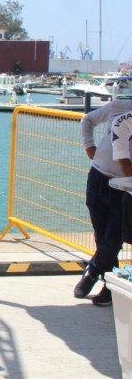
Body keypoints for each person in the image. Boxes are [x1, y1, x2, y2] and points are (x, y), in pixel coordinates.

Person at [75, 97, 132, 305]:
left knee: (113, 239)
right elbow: (87, 121)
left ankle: (92, 271)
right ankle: (109, 288)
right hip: (98, 179)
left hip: (125, 188)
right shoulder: (119, 107)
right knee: (101, 237)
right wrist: (90, 147)